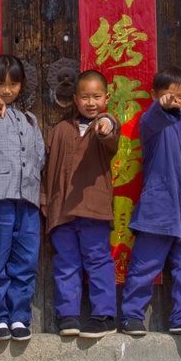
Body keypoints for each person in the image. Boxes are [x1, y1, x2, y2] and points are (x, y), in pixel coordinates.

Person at [119, 66, 181, 338]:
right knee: (145, 265)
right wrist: (163, 108)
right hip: (157, 209)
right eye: (168, 95)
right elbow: (154, 117)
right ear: (154, 95)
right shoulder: (151, 123)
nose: (175, 101)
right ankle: (131, 316)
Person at [41, 69, 121, 339]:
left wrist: (107, 123)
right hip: (62, 211)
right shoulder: (60, 130)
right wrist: (46, 203)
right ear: (75, 99)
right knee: (66, 263)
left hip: (93, 209)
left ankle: (104, 316)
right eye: (85, 97)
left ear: (106, 98)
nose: (90, 103)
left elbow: (111, 133)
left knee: (98, 261)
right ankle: (69, 315)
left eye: (96, 96)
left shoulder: (105, 124)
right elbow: (47, 169)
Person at [0, 55, 46, 342]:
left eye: (13, 83)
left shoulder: (31, 119)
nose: (7, 90)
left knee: (25, 260)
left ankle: (19, 317)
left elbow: (39, 155)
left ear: (21, 85)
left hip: (26, 198)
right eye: (0, 84)